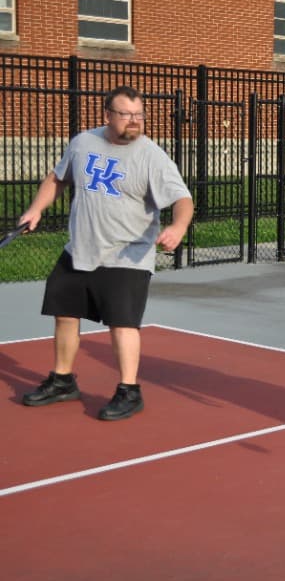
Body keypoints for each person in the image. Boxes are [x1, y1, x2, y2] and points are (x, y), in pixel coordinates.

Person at [18, 85, 194, 421]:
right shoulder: (83, 143)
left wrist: (179, 227)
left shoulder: (151, 155)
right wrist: (36, 209)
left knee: (122, 323)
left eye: (139, 114)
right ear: (107, 115)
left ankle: (129, 390)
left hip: (126, 254)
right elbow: (56, 179)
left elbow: (182, 199)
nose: (134, 121)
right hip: (80, 249)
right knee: (65, 314)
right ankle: (63, 380)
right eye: (126, 114)